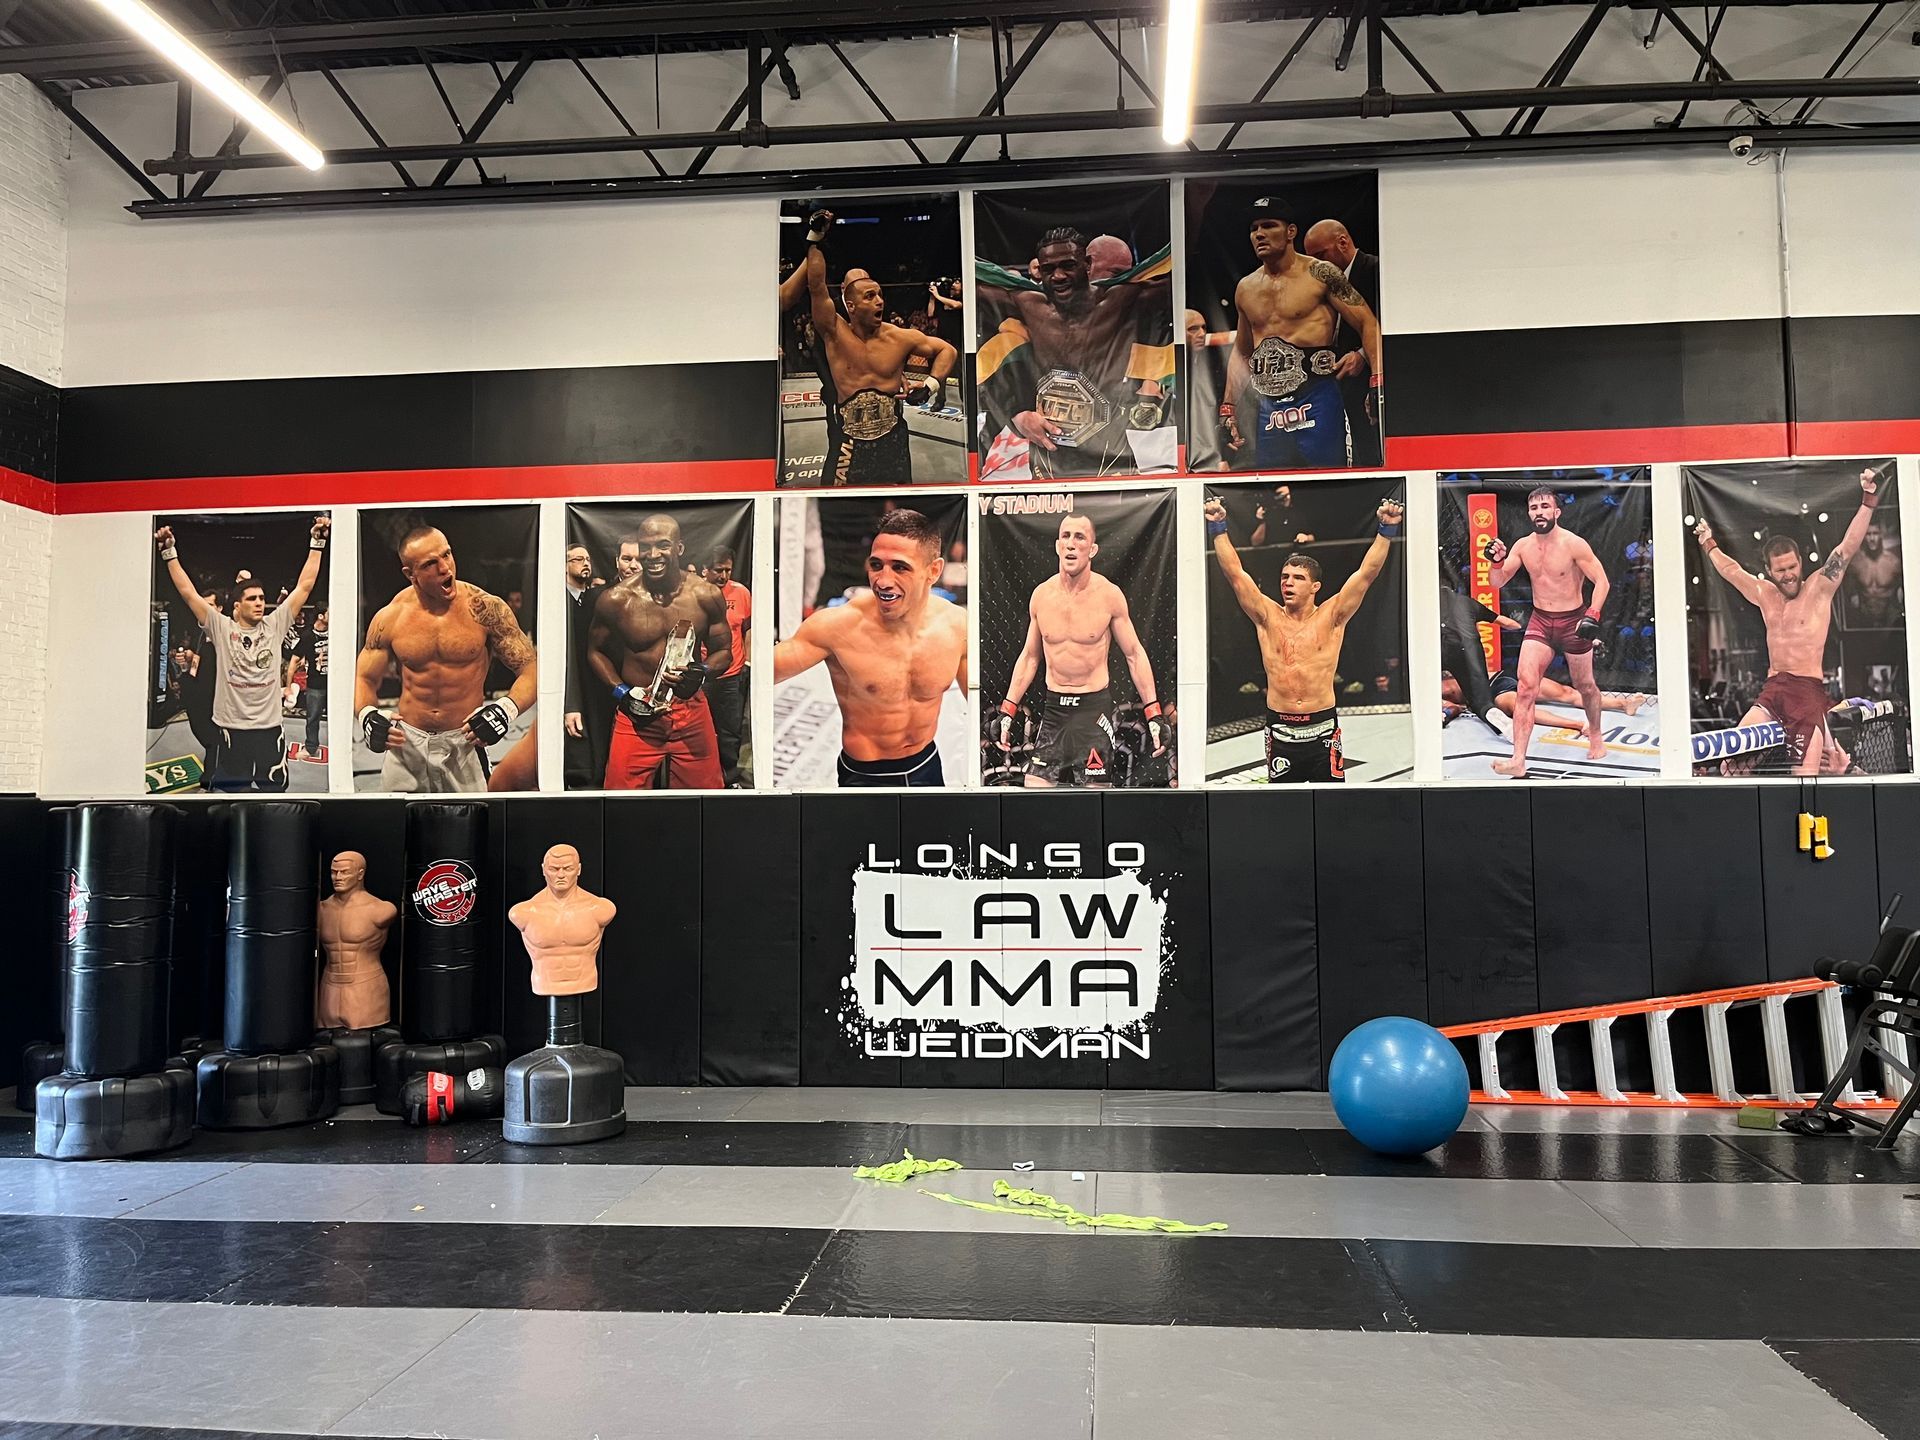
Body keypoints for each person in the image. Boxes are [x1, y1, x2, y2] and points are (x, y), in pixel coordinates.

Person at [1695, 467, 1884, 774]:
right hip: (1772, 690)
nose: (1789, 574)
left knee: (1803, 777)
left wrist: (1868, 499)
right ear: (1769, 571)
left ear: (1800, 561)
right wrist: (1709, 543)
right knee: (1730, 766)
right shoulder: (1764, 593)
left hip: (1807, 692)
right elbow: (1732, 571)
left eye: (1792, 566)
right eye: (1781, 570)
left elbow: (1847, 548)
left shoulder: (1819, 588)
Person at [1206, 495, 1401, 783]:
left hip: (1322, 727)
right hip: (1280, 728)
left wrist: (1387, 530)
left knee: (1330, 806)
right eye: (1285, 577)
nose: (1287, 582)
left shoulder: (1332, 615)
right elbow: (1235, 574)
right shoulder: (1267, 616)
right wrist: (1218, 527)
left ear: (1315, 587)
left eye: (1297, 578)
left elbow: (1366, 574)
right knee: (1285, 809)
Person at [773, 508, 967, 786]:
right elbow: (758, 674)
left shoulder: (958, 626)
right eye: (877, 565)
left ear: (933, 571)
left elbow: (984, 706)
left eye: (900, 567)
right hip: (863, 776)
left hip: (926, 767)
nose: (884, 581)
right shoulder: (837, 626)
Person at [976, 226, 1172, 478]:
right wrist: (1018, 413)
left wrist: (1193, 201)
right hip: (1050, 449)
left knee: (1118, 513)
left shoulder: (1116, 301)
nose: (1058, 276)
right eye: (1049, 269)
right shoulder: (1027, 302)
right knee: (1053, 516)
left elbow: (1177, 265)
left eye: (1067, 265)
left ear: (1087, 264)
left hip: (1111, 448)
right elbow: (970, 280)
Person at [354, 526, 538, 792]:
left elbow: (531, 668)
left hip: (464, 744)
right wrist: (367, 715)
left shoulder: (484, 609)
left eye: (447, 554)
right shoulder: (390, 617)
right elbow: (364, 677)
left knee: (472, 826)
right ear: (410, 574)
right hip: (406, 745)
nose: (445, 568)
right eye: (430, 564)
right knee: (398, 828)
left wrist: (505, 710)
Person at [154, 515, 329, 792]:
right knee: (232, 797)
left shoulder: (275, 624)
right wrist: (169, 552)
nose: (259, 603)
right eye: (252, 599)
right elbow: (188, 593)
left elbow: (304, 586)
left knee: (273, 795)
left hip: (268, 728)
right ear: (237, 605)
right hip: (230, 729)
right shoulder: (221, 627)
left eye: (261, 598)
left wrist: (317, 542)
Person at [992, 512, 1167, 787]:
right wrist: (1007, 709)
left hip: (1093, 711)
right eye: (1065, 536)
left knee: (1095, 802)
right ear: (1057, 545)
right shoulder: (1041, 596)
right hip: (1054, 710)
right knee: (1033, 794)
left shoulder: (1109, 596)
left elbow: (1134, 654)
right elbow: (1029, 657)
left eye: (1079, 537)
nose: (1071, 544)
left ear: (1092, 549)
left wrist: (1153, 712)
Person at [802, 210, 958, 485]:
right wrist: (815, 237)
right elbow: (816, 286)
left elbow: (948, 350)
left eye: (881, 295)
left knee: (897, 510)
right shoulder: (835, 333)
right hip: (848, 440)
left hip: (893, 438)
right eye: (870, 296)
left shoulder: (898, 337)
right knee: (839, 510)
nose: (879, 302)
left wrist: (930, 386)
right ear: (850, 305)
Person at [1227, 197, 1382, 471]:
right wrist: (1228, 406)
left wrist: (1377, 384)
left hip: (1318, 396)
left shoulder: (1321, 273)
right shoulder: (1245, 287)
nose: (1259, 234)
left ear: (1291, 232)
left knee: (1330, 486)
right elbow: (1242, 351)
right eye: (1254, 228)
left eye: (1269, 225)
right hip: (1269, 407)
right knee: (1275, 491)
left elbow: (1368, 323)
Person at [588, 514, 730, 789]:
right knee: (618, 804)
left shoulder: (706, 595)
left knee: (707, 803)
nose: (652, 555)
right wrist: (622, 693)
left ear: (679, 548)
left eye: (662, 545)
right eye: (645, 546)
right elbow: (595, 652)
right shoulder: (617, 599)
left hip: (689, 711)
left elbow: (724, 650)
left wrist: (702, 671)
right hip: (638, 713)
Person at [1482, 487, 1612, 777]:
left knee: (1586, 686)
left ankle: (1596, 734)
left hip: (1574, 622)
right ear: (1529, 513)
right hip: (1541, 621)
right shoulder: (1523, 546)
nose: (1539, 512)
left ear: (1556, 512)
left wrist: (1593, 614)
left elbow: (1602, 581)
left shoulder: (1573, 544)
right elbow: (1497, 582)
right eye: (1534, 508)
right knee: (1525, 688)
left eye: (1544, 506)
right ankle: (1518, 760)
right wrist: (1496, 562)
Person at [1302, 218, 1384, 468]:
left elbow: (1392, 323)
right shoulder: (1317, 284)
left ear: (1343, 242)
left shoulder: (1377, 271)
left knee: (1373, 451)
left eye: (1320, 254)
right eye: (1311, 257)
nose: (1316, 263)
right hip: (1333, 386)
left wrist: (1362, 354)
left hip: (1371, 380)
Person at [314, 850, 396, 1032]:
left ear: (360, 874)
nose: (338, 877)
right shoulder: (320, 910)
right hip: (329, 987)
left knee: (362, 1045)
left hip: (366, 986)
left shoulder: (381, 910)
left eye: (344, 872)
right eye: (334, 872)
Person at [703, 545, 753, 786]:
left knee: (730, 732)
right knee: (700, 732)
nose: (723, 576)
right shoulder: (693, 593)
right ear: (705, 570)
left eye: (727, 570)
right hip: (701, 676)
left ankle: (729, 778)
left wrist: (750, 663)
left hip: (732, 675)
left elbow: (748, 629)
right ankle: (704, 778)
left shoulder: (741, 593)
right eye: (717, 570)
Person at [1846, 514, 1902, 626]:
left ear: (1881, 535)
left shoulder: (1893, 562)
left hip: (1889, 618)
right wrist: (1852, 596)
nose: (1872, 538)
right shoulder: (1856, 562)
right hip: (1862, 616)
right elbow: (1847, 588)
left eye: (1875, 533)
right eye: (1868, 534)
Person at [294, 606, 331, 762]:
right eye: (329, 612)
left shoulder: (337, 632)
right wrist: (289, 683)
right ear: (321, 616)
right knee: (313, 718)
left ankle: (342, 748)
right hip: (315, 683)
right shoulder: (308, 635)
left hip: (334, 682)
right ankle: (310, 747)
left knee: (339, 717)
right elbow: (295, 658)